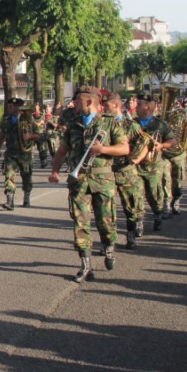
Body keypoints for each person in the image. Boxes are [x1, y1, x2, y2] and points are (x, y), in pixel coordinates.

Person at [49, 87, 129, 283]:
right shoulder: (73, 126)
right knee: (80, 223)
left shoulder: (108, 123)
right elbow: (61, 151)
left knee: (106, 223)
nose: (74, 103)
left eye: (77, 100)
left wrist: (104, 149)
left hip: (103, 182)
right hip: (79, 183)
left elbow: (124, 148)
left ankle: (109, 246)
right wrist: (55, 171)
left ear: (88, 102)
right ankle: (85, 265)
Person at [105, 93, 147, 250]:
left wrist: (136, 159)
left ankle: (130, 234)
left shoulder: (131, 125)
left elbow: (145, 143)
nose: (104, 107)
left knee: (131, 207)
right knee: (107, 208)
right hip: (107, 171)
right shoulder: (103, 124)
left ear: (115, 105)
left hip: (126, 171)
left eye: (107, 104)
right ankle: (109, 241)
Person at [132, 93, 174, 233]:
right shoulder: (133, 123)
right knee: (136, 194)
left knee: (154, 194)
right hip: (136, 164)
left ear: (148, 107)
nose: (135, 107)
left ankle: (157, 214)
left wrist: (161, 146)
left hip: (153, 165)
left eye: (139, 105)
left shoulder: (160, 124)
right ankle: (139, 221)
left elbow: (172, 140)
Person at [0, 98, 36, 210]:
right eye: (9, 106)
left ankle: (26, 197)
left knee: (26, 177)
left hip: (25, 154)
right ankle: (10, 201)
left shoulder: (28, 120)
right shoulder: (6, 120)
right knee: (9, 175)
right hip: (11, 153)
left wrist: (30, 136)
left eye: (11, 106)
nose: (9, 108)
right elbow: (2, 136)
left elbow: (39, 134)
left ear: (18, 107)